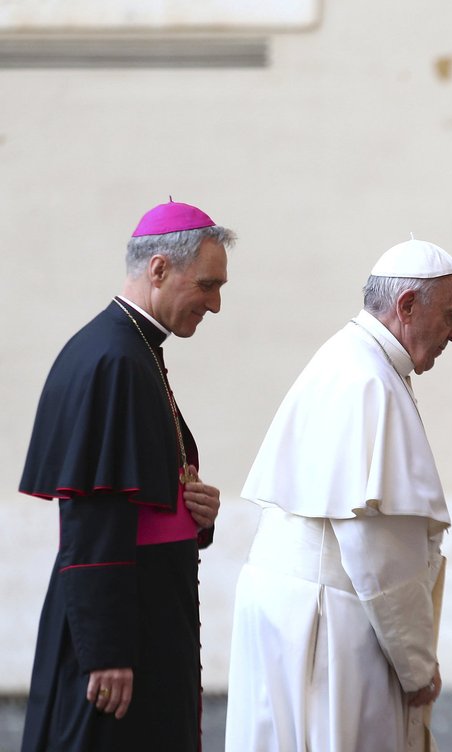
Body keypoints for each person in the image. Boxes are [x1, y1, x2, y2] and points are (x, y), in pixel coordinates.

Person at [225, 237, 452, 752]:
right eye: (451, 315)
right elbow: (382, 559)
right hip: (328, 624)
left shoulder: (345, 357)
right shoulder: (369, 382)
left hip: (287, 608)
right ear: (406, 306)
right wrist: (418, 667)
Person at [19, 199, 235, 751]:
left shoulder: (134, 348)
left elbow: (139, 493)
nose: (215, 305)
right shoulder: (114, 359)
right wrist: (107, 651)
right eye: (207, 285)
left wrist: (194, 512)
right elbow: (92, 517)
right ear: (160, 268)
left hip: (145, 611)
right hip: (125, 630)